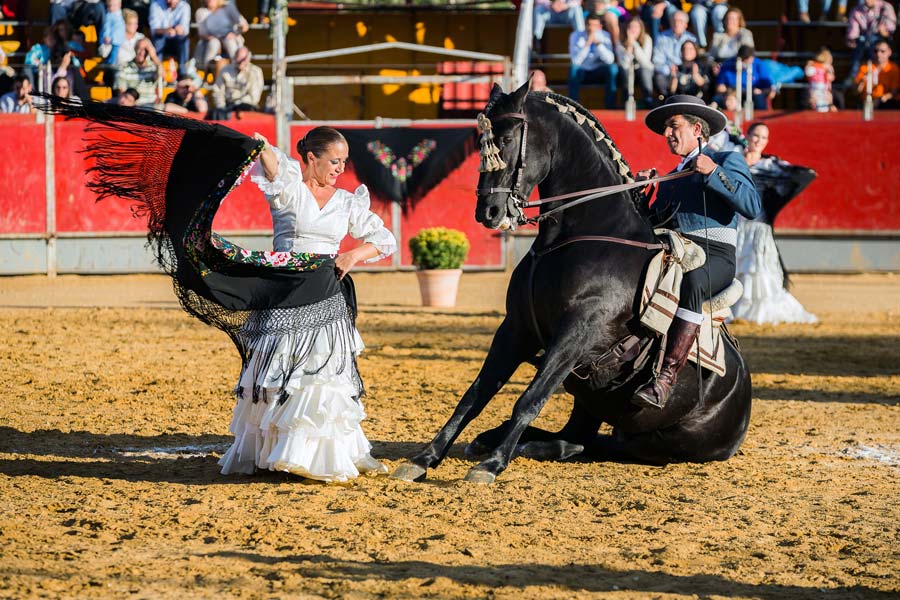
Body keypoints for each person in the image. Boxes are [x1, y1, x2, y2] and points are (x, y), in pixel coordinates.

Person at [217, 126, 398, 482]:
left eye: (344, 162)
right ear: (311, 158)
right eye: (334, 161)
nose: (339, 169)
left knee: (323, 377)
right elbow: (271, 162)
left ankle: (323, 456)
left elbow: (384, 240)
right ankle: (276, 452)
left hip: (325, 298)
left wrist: (352, 256)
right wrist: (260, 145)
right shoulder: (289, 189)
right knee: (281, 373)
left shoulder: (347, 201)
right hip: (284, 296)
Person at [632, 95, 761, 409]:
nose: (668, 134)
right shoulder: (670, 177)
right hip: (675, 251)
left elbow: (752, 206)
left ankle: (666, 377)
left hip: (716, 256)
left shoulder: (728, 158)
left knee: (693, 282)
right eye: (666, 128)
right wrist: (639, 197)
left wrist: (715, 172)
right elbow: (652, 223)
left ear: (698, 131)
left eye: (674, 126)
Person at [733, 123, 817, 324]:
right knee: (736, 269)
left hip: (758, 228)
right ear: (747, 136)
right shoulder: (734, 160)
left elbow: (806, 174)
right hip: (736, 227)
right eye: (756, 136)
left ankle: (756, 314)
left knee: (758, 269)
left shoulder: (770, 165)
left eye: (763, 138)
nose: (758, 141)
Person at [568, 13, 619, 107]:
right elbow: (575, 62)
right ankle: (573, 107)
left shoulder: (605, 36)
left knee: (613, 69)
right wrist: (587, 44)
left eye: (594, 25)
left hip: (598, 71)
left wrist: (598, 44)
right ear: (585, 24)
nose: (591, 28)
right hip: (583, 71)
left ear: (600, 26)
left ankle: (610, 105)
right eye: (589, 24)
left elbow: (610, 60)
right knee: (573, 69)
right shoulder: (575, 36)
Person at [844, 0, 896, 86]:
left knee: (871, 44)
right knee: (862, 41)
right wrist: (852, 39)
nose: (866, 0)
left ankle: (857, 75)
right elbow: (853, 29)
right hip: (864, 41)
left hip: (882, 39)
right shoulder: (858, 9)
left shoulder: (885, 7)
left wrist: (884, 31)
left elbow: (891, 28)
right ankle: (855, 76)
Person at [207, 46, 264, 119]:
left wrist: (237, 104)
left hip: (246, 106)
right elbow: (218, 91)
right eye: (238, 61)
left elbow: (254, 97)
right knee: (216, 114)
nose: (240, 63)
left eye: (243, 60)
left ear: (248, 59)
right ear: (235, 58)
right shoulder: (225, 70)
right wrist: (221, 107)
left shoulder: (255, 72)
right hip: (228, 106)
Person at [651, 10, 697, 97]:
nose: (676, 23)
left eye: (680, 21)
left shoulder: (692, 39)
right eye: (674, 21)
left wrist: (680, 70)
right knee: (659, 78)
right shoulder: (661, 38)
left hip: (686, 73)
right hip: (667, 73)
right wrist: (671, 71)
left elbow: (694, 59)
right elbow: (657, 61)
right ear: (670, 22)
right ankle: (667, 102)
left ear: (686, 25)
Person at [714, 45, 774, 110]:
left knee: (759, 98)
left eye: (746, 59)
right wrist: (729, 93)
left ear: (752, 58)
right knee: (717, 100)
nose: (743, 62)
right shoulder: (728, 64)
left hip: (752, 95)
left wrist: (760, 91)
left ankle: (760, 118)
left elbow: (769, 89)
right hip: (733, 93)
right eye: (742, 59)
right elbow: (720, 87)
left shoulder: (759, 65)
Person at [193, 0, 249, 69]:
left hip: (230, 39)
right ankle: (206, 71)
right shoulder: (201, 12)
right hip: (211, 41)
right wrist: (218, 40)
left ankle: (236, 68)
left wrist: (235, 34)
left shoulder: (228, 7)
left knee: (230, 42)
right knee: (214, 43)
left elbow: (245, 26)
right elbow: (202, 34)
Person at [617, 16, 655, 107]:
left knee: (644, 70)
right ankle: (626, 99)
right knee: (625, 70)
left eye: (636, 27)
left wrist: (634, 44)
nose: (633, 30)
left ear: (641, 29)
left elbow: (645, 62)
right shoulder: (620, 40)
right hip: (627, 71)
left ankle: (648, 98)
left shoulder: (647, 39)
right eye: (631, 27)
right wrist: (629, 48)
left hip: (643, 69)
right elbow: (625, 64)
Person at [854, 38, 900, 108]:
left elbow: (894, 92)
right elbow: (856, 92)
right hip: (867, 103)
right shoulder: (865, 67)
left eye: (882, 51)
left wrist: (884, 98)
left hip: (886, 103)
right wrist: (862, 81)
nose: (878, 54)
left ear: (889, 52)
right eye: (876, 51)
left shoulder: (893, 69)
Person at [149, 0, 190, 78]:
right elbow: (154, 29)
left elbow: (185, 30)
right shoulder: (155, 5)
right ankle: (158, 70)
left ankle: (182, 72)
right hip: (161, 38)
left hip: (177, 40)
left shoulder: (185, 6)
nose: (169, 1)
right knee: (159, 39)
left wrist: (179, 30)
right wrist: (166, 30)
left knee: (184, 39)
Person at [114, 40, 161, 106]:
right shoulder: (124, 67)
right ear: (135, 49)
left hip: (151, 105)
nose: (142, 52)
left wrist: (154, 56)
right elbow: (121, 92)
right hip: (132, 105)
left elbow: (163, 76)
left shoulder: (154, 67)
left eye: (146, 50)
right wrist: (131, 102)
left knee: (169, 107)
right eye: (140, 48)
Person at [805, 47, 837, 111]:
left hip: (825, 88)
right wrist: (808, 66)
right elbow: (808, 73)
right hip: (816, 87)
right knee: (816, 102)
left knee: (826, 102)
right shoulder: (814, 66)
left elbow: (831, 77)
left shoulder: (828, 67)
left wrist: (828, 71)